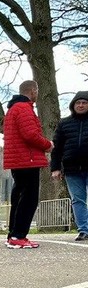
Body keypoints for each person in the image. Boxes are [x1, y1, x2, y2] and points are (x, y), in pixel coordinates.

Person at [2, 80, 52, 249]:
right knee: (29, 199)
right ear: (33, 91)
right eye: (36, 91)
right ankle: (19, 235)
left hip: (17, 160)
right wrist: (48, 145)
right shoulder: (24, 108)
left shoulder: (13, 109)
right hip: (27, 160)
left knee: (19, 197)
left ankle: (13, 234)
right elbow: (30, 134)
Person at [50, 91, 88, 241]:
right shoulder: (64, 123)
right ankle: (84, 230)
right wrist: (55, 168)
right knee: (77, 200)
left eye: (84, 103)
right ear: (73, 105)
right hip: (72, 169)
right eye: (78, 103)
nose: (81, 105)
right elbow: (56, 148)